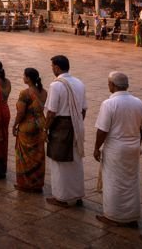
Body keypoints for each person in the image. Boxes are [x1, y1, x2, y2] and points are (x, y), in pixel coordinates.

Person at [93, 72, 142, 228]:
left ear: (112, 85)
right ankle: (130, 215)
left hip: (116, 149)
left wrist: (96, 147)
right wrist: (137, 143)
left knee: (113, 182)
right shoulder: (139, 103)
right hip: (133, 147)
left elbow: (102, 130)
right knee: (130, 182)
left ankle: (114, 216)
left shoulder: (109, 104)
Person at [45, 54, 87, 207]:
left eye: (52, 67)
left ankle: (61, 197)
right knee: (75, 161)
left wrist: (46, 129)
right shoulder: (79, 83)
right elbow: (83, 110)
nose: (52, 69)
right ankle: (77, 195)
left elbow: (51, 112)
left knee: (59, 163)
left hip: (60, 127)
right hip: (75, 125)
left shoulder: (56, 85)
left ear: (56, 67)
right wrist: (77, 124)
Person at [13, 68, 47, 193]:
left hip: (27, 127)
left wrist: (15, 124)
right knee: (37, 156)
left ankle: (25, 183)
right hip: (39, 126)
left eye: (24, 76)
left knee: (24, 156)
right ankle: (36, 183)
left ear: (28, 78)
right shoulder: (44, 92)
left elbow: (21, 112)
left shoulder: (25, 93)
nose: (23, 77)